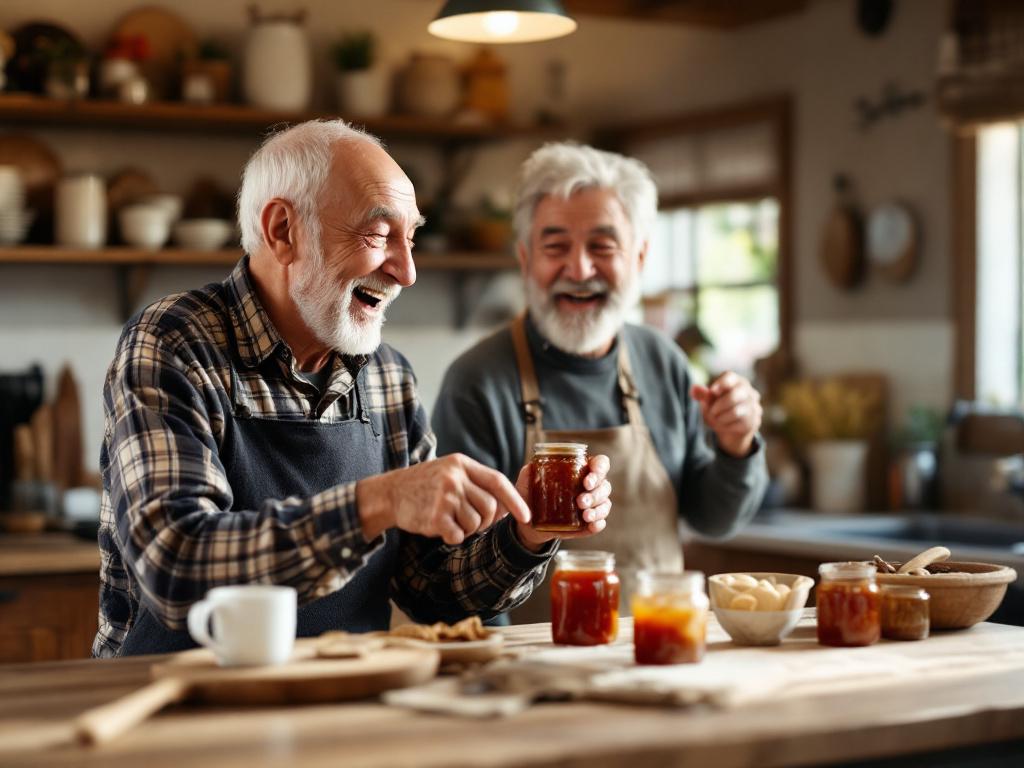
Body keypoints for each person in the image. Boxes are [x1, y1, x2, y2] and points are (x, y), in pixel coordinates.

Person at [93, 122, 612, 657]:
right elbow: (175, 567)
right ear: (282, 230)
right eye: (379, 235)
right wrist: (376, 503)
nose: (407, 272)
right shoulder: (175, 343)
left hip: (339, 697)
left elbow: (431, 591)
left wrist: (525, 531)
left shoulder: (387, 374)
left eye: (410, 239)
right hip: (174, 707)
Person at [431, 142, 767, 621]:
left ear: (640, 258)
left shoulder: (662, 361)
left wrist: (736, 446)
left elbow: (714, 520)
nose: (580, 269)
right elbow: (462, 576)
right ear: (526, 260)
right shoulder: (478, 382)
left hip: (659, 645)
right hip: (534, 669)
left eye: (603, 246)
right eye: (555, 247)